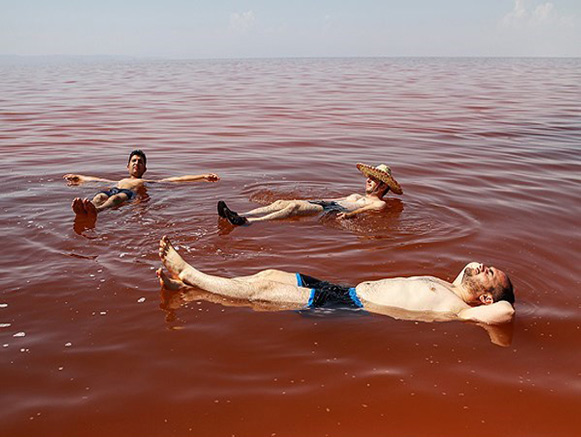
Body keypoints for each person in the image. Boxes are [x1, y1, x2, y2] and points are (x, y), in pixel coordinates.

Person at [157, 236, 515, 326]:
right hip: (344, 290)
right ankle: (189, 290)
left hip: (350, 307)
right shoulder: (445, 282)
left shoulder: (460, 310)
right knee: (268, 274)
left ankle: (191, 274)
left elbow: (505, 314)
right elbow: (472, 267)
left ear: (486, 298)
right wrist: (483, 278)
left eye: (490, 274)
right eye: (487, 265)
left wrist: (496, 301)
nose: (484, 266)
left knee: (263, 292)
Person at [217, 163, 402, 226]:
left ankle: (247, 222)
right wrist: (307, 200)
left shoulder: (380, 204)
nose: (368, 180)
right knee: (283, 201)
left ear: (382, 186)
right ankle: (240, 214)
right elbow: (335, 199)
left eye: (373, 179)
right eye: (368, 177)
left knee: (294, 208)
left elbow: (364, 210)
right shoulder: (355, 194)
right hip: (327, 203)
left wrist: (349, 215)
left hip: (334, 210)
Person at [64, 149, 219, 224]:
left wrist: (202, 176)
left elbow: (177, 179)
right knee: (99, 196)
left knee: (118, 197)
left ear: (145, 168)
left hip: (127, 193)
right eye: (134, 161)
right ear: (127, 166)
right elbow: (96, 180)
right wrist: (78, 177)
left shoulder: (146, 182)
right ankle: (86, 209)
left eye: (140, 162)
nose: (137, 163)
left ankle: (96, 211)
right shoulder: (118, 180)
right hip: (112, 189)